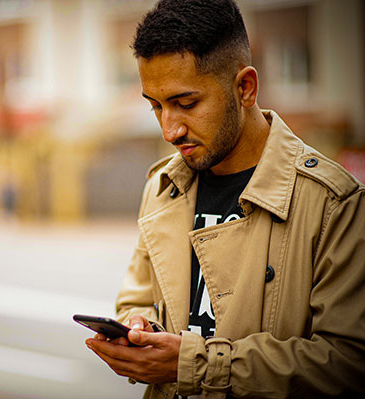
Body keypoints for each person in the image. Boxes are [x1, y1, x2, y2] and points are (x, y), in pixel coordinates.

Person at [84, 0, 365, 398]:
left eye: (186, 104)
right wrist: (138, 328)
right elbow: (139, 297)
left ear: (245, 88)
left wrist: (193, 364)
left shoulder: (333, 204)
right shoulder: (163, 187)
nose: (170, 130)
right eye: (156, 106)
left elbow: (349, 363)